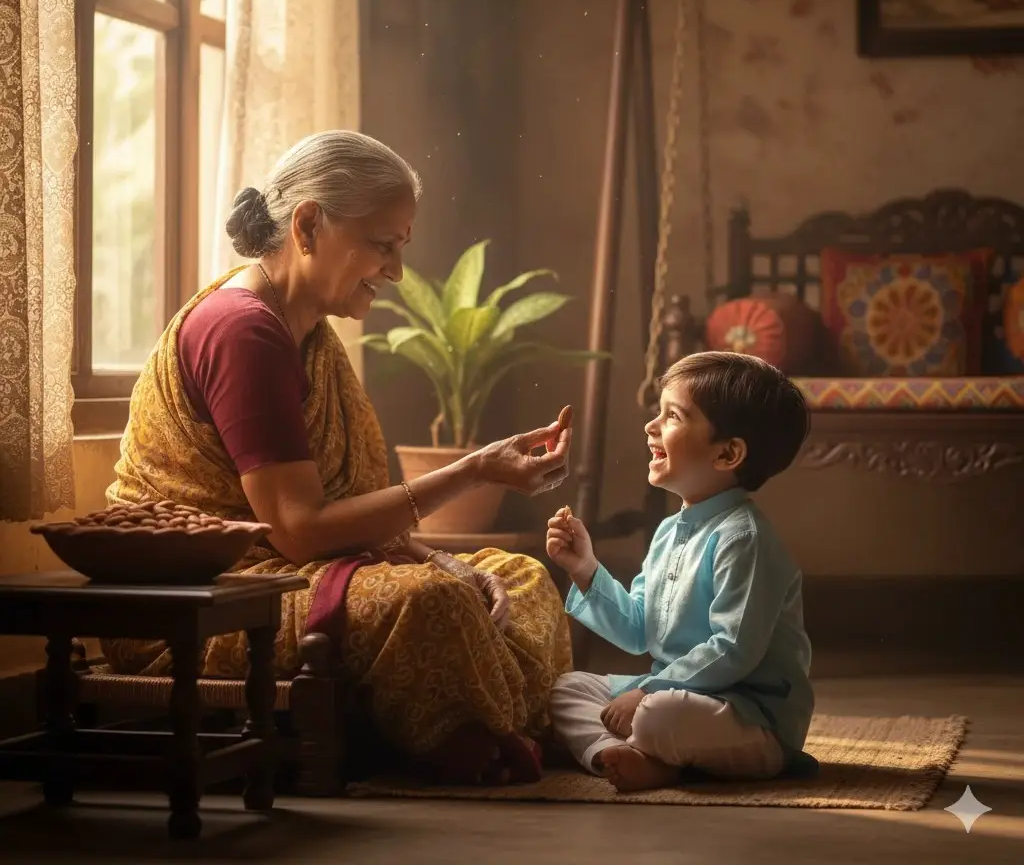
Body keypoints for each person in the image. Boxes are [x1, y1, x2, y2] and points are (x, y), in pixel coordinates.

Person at [102, 130, 573, 785]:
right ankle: (454, 733)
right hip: (215, 592)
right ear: (308, 224)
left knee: (518, 577)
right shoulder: (243, 329)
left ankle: (465, 725)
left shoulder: (308, 330)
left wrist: (433, 555)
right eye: (382, 245)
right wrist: (473, 470)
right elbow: (296, 532)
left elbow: (338, 522)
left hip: (311, 570)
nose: (396, 272)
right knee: (433, 604)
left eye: (400, 248)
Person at [545, 351, 814, 793]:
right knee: (570, 688)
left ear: (728, 453)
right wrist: (586, 569)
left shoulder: (744, 538)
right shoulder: (670, 531)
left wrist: (648, 691)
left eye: (672, 416)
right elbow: (639, 631)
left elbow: (733, 650)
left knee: (657, 715)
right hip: (672, 693)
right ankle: (618, 756)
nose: (651, 427)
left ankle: (649, 753)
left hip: (749, 718)